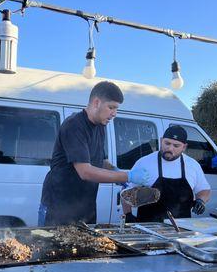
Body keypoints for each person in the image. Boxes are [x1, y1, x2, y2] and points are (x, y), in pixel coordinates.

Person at [39, 81, 150, 226]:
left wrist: (118, 173)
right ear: (96, 102)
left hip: (85, 206)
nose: (114, 114)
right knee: (52, 246)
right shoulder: (74, 125)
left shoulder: (100, 126)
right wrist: (127, 175)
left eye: (116, 109)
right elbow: (85, 172)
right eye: (111, 107)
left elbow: (100, 160)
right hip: (59, 207)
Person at [124, 125, 211, 222]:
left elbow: (204, 189)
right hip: (148, 228)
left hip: (181, 228)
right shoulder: (144, 163)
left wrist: (201, 200)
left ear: (184, 147)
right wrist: (128, 215)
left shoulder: (193, 166)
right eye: (167, 143)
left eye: (176, 146)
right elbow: (126, 192)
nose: (170, 149)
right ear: (161, 140)